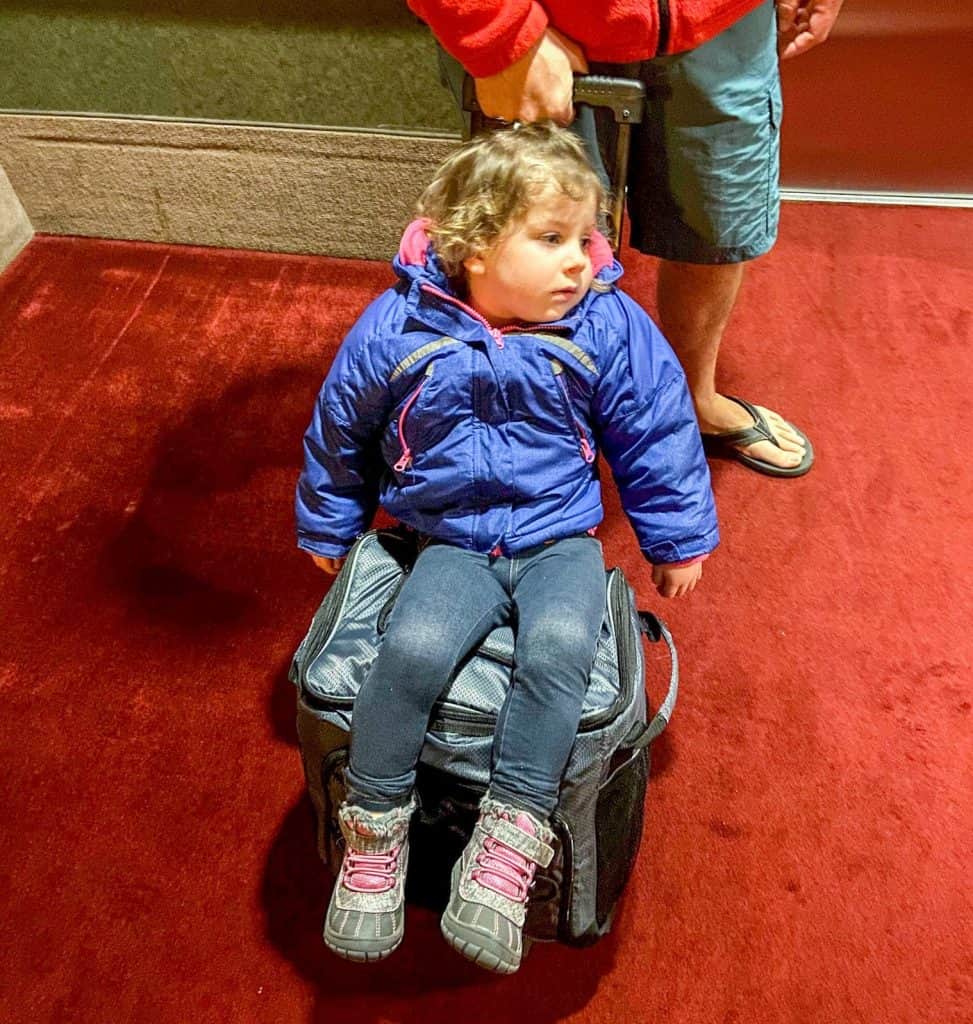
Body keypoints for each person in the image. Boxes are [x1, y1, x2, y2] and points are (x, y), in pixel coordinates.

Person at [295, 124, 718, 972]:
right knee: (409, 648)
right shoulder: (397, 327)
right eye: (554, 239)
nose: (585, 261)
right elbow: (340, 430)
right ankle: (374, 835)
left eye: (588, 237)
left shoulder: (604, 324)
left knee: (560, 646)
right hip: (448, 538)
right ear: (475, 243)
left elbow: (656, 430)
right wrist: (329, 523)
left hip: (556, 537)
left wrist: (676, 537)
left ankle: (509, 841)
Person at [407, 0, 845, 478]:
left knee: (714, 229)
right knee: (534, 244)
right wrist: (498, 30)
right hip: (544, 27)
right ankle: (533, 441)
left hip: (725, 19)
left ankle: (691, 401)